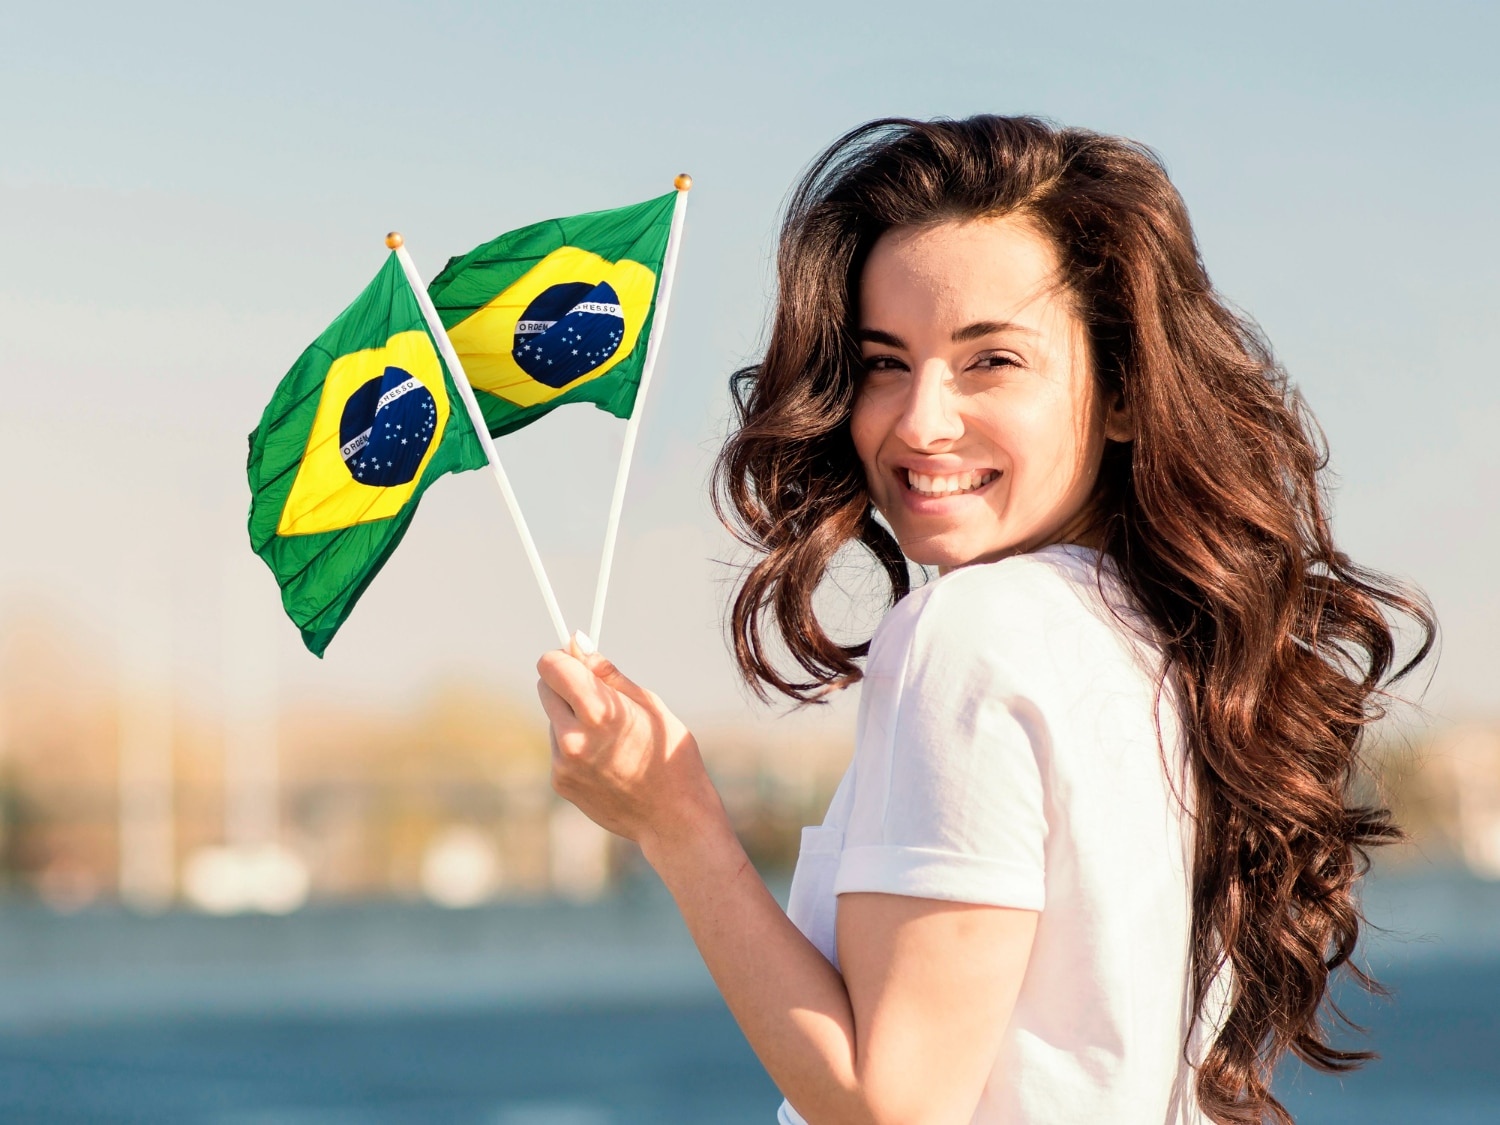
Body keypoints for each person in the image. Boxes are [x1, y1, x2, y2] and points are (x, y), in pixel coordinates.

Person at [535, 116, 1434, 1125]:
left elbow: (890, 1107)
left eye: (991, 360)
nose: (920, 421)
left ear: (1124, 389)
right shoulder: (1168, 648)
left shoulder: (976, 631)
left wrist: (678, 824)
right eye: (884, 362)